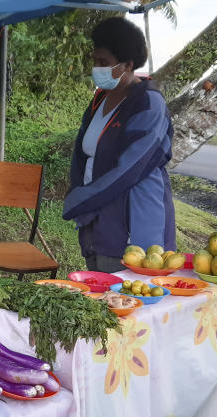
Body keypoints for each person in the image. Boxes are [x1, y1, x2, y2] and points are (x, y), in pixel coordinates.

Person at [62, 17, 175, 273]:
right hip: (96, 218)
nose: (97, 67)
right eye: (95, 61)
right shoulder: (99, 100)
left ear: (128, 65)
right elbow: (83, 153)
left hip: (132, 222)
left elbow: (130, 168)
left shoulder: (148, 104)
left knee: (125, 299)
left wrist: (81, 199)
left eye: (104, 63)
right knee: (97, 289)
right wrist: (79, 191)